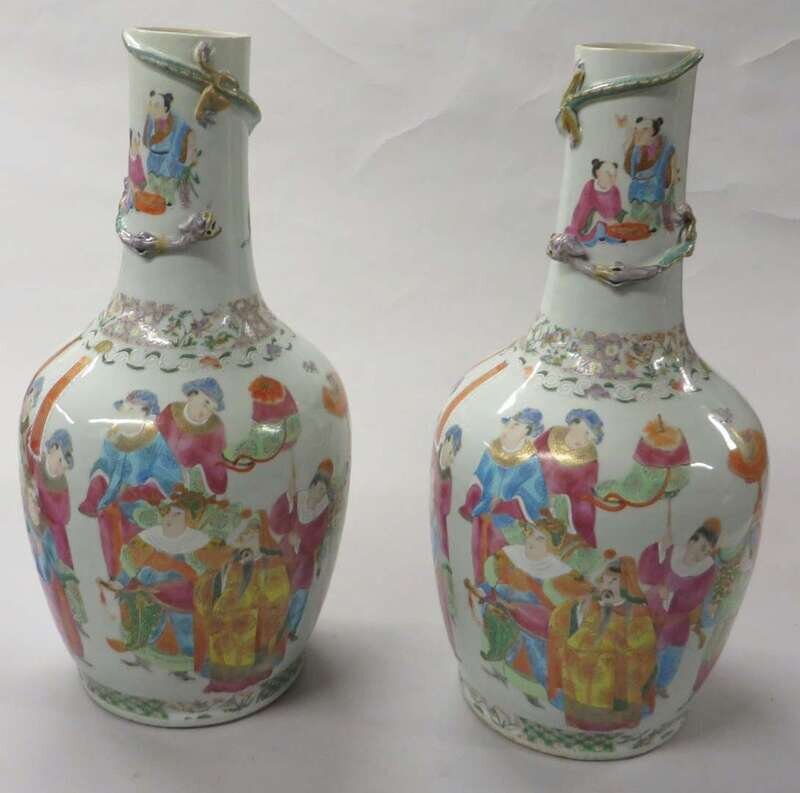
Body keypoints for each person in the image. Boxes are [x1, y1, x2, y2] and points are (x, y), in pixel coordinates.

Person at [475, 515, 593, 705]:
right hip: (502, 607)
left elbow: (582, 597)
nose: (532, 541)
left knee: (539, 647)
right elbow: (492, 584)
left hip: (541, 621)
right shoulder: (509, 556)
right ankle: (498, 671)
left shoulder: (561, 571)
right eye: (531, 535)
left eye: (540, 539)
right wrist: (488, 593)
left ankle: (541, 688)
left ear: (552, 546)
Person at [101, 487, 211, 676]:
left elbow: (204, 572)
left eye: (177, 514)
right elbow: (130, 564)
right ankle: (140, 652)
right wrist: (123, 582)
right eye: (168, 512)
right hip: (148, 588)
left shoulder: (197, 542)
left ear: (190, 519)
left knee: (184, 625)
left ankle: (187, 664)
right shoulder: (151, 537)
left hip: (183, 595)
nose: (169, 518)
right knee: (141, 615)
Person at [79, 390, 182, 577]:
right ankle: (115, 577)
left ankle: (135, 579)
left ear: (145, 414)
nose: (127, 414)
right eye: (125, 409)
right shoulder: (112, 437)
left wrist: (139, 491)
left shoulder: (155, 440)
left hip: (143, 503)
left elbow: (168, 473)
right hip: (112, 499)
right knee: (109, 521)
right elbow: (105, 462)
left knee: (137, 543)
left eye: (133, 410)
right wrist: (99, 481)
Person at [548, 556, 657, 731]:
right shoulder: (594, 604)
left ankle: (614, 727)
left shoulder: (637, 613)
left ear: (625, 584)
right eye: (605, 580)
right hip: (580, 672)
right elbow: (575, 624)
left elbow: (644, 651)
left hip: (614, 676)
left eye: (614, 581)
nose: (608, 585)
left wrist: (614, 651)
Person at [193, 513, 291, 692]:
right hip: (224, 616)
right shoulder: (232, 560)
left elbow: (279, 593)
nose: (245, 536)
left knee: (245, 632)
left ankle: (247, 679)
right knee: (220, 630)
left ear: (261, 537)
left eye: (251, 533)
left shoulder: (272, 562)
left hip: (253, 619)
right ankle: (222, 680)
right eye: (243, 533)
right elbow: (213, 581)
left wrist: (253, 601)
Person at [459, 409, 549, 583]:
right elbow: (478, 479)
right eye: (507, 425)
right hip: (482, 518)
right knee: (480, 557)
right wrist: (473, 500)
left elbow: (535, 496)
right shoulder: (490, 453)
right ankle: (481, 590)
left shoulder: (531, 462)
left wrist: (505, 505)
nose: (507, 430)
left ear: (527, 430)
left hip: (511, 526)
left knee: (504, 566)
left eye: (514, 426)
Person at [638, 518, 720, 697]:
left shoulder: (705, 570)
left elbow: (697, 596)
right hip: (655, 615)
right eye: (700, 545)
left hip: (678, 620)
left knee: (673, 655)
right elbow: (646, 574)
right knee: (652, 652)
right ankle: (646, 685)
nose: (700, 553)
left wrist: (672, 596)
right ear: (691, 540)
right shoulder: (671, 553)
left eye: (706, 550)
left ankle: (662, 684)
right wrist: (661, 547)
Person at [270, 460, 335, 639]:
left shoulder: (322, 511)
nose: (318, 493)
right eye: (317, 488)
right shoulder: (298, 500)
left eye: (323, 491)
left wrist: (302, 540)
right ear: (312, 485)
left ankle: (290, 629)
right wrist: (287, 498)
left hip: (305, 559)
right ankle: (275, 627)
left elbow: (318, 537)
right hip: (286, 553)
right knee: (280, 589)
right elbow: (278, 524)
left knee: (300, 593)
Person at [24, 472, 86, 660]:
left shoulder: (49, 535)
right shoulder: (43, 533)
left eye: (36, 503)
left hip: (60, 580)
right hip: (57, 584)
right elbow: (46, 569)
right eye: (32, 503)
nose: (35, 507)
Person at [535, 409, 603, 547]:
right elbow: (532, 458)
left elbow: (584, 489)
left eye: (588, 435)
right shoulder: (552, 435)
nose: (582, 439)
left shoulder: (589, 459)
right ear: (572, 424)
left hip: (568, 501)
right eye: (581, 431)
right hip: (535, 488)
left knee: (584, 512)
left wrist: (559, 500)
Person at [157, 378, 228, 494]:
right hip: (164, 470)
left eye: (212, 409)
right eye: (206, 403)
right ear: (192, 395)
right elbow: (156, 440)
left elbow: (214, 461)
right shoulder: (171, 411)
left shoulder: (214, 428)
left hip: (195, 477)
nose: (206, 412)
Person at [431, 425, 462, 652]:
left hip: (442, 531)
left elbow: (445, 509)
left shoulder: (448, 478)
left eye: (452, 453)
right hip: (440, 529)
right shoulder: (442, 474)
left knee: (447, 571)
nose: (448, 456)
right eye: (447, 450)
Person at [142, 90, 194, 205]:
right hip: (153, 162)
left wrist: (188, 157)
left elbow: (189, 133)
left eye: (156, 105)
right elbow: (146, 141)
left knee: (168, 194)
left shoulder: (177, 122)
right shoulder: (151, 120)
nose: (151, 108)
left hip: (170, 163)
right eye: (150, 104)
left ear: (165, 108)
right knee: (154, 188)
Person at [624, 116, 676, 232]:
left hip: (653, 195)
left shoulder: (663, 150)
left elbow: (669, 178)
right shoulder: (636, 151)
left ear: (653, 132)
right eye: (637, 130)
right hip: (636, 196)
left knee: (650, 220)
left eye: (645, 130)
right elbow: (631, 170)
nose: (639, 133)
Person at [566, 160, 625, 246]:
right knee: (598, 226)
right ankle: (594, 237)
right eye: (608, 174)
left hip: (610, 221)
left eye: (614, 175)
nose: (612, 178)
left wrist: (616, 218)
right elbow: (583, 208)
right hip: (589, 220)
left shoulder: (615, 190)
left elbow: (617, 209)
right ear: (598, 173)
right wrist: (604, 218)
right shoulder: (590, 187)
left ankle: (607, 235)